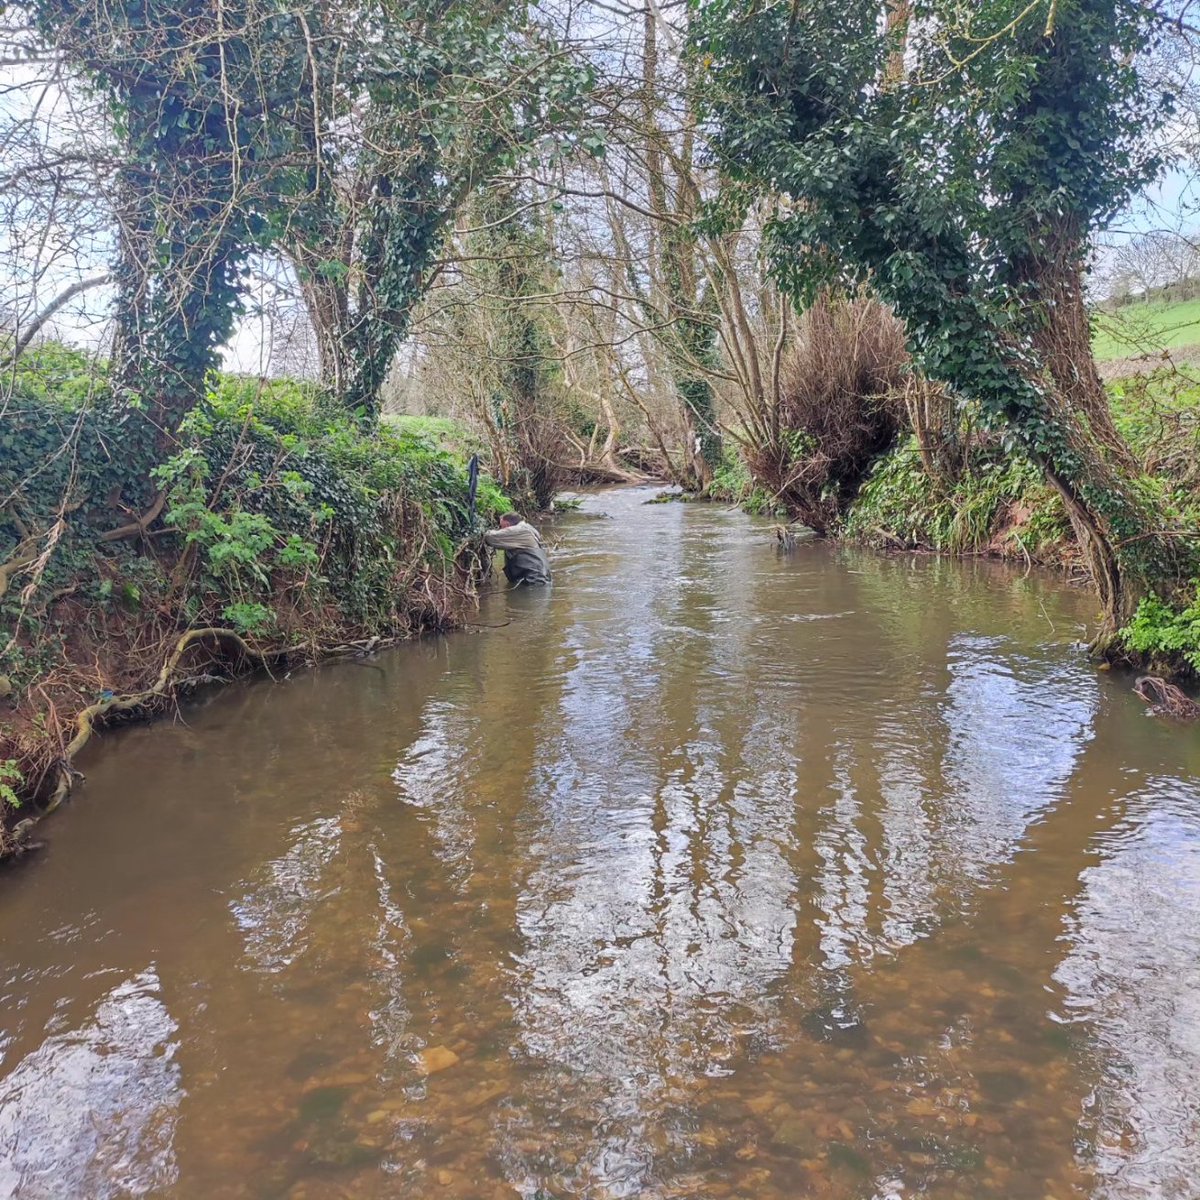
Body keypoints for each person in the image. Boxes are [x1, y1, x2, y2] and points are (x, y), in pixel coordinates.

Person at [483, 513, 552, 586]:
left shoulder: (518, 530)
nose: (501, 529)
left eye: (501, 526)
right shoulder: (528, 528)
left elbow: (489, 537)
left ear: (507, 525)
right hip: (539, 578)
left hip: (533, 580)